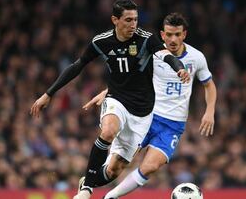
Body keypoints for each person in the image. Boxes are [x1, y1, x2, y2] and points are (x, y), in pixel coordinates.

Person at [30, 0, 190, 199]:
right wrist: (48, 94)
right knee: (109, 130)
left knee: (113, 170)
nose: (133, 25)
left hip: (142, 113)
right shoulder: (101, 42)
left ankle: (87, 180)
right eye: (128, 20)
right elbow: (78, 65)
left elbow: (166, 55)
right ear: (115, 19)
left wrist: (179, 68)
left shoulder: (146, 39)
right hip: (117, 100)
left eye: (136, 20)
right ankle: (87, 189)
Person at [83, 12, 217, 199]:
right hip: (146, 115)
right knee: (114, 169)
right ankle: (86, 184)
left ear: (184, 34)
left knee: (151, 166)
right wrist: (106, 92)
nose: (173, 39)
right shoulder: (153, 53)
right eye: (169, 34)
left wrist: (209, 112)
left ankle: (110, 197)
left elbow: (209, 85)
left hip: (172, 124)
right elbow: (130, 79)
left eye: (177, 34)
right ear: (162, 35)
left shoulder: (197, 57)